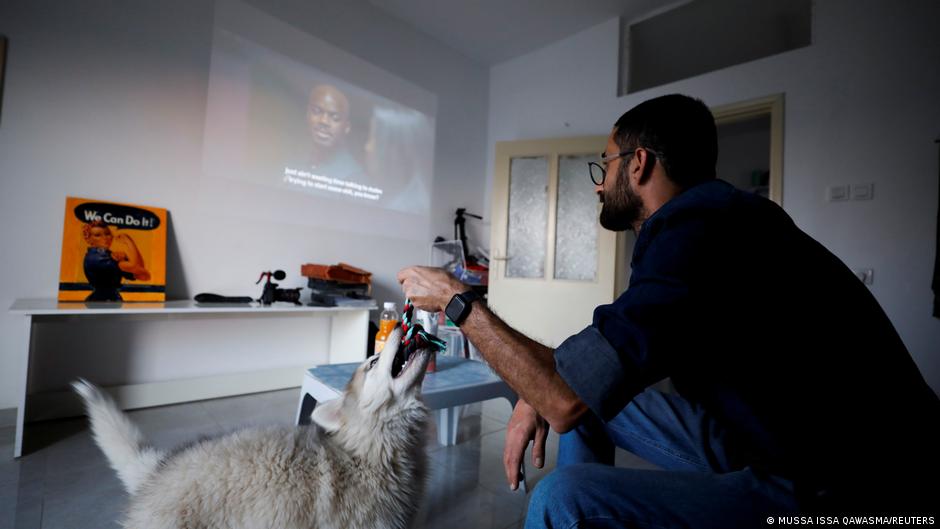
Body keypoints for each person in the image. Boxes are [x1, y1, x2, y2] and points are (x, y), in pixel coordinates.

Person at [398, 94, 940, 527]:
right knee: (593, 402)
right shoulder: (719, 222)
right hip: (766, 442)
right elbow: (602, 361)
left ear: (638, 164)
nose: (598, 184)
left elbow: (564, 401)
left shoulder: (697, 231)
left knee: (563, 497)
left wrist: (457, 299)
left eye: (605, 164)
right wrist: (547, 389)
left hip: (842, 490)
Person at [305, 83, 363, 182]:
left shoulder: (355, 178)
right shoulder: (294, 161)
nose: (323, 121)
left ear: (347, 127)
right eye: (317, 111)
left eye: (335, 118)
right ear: (307, 114)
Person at [82, 220, 150, 301]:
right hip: (102, 301)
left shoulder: (109, 254)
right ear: (89, 239)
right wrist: (129, 242)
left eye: (107, 234)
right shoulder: (96, 257)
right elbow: (137, 268)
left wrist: (125, 257)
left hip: (110, 300)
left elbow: (142, 274)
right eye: (97, 235)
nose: (105, 238)